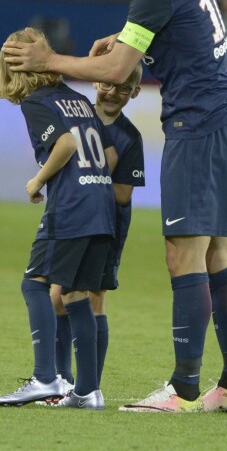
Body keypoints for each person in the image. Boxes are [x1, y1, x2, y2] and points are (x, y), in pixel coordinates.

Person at [2, 0, 227, 414]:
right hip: (225, 118)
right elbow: (159, 32)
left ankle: (184, 390)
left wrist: (49, 60)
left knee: (183, 254)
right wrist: (124, 38)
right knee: (218, 254)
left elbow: (118, 70)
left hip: (196, 125)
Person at [0, 28, 116, 409]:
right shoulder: (76, 98)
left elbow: (65, 144)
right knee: (76, 295)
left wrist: (37, 181)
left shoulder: (37, 101)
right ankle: (87, 390)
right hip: (101, 205)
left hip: (71, 209)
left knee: (34, 285)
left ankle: (45, 378)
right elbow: (107, 151)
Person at [50, 66, 145, 392]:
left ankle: (89, 384)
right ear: (95, 81)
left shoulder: (130, 136)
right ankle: (62, 377)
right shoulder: (75, 116)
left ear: (134, 92)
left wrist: (88, 176)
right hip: (70, 217)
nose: (112, 91)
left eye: (122, 88)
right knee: (57, 296)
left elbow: (123, 193)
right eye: (107, 83)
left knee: (94, 298)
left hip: (106, 224)